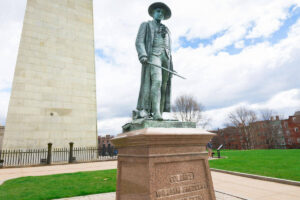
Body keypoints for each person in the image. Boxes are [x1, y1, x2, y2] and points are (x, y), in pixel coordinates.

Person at [135, 2, 173, 120]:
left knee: (164, 86)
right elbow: (139, 41)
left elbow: (169, 48)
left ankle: (159, 113)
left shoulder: (166, 29)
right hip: (153, 55)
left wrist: (171, 65)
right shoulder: (146, 25)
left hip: (166, 57)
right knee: (157, 81)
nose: (160, 13)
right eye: (158, 11)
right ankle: (155, 112)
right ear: (152, 13)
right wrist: (142, 55)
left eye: (162, 12)